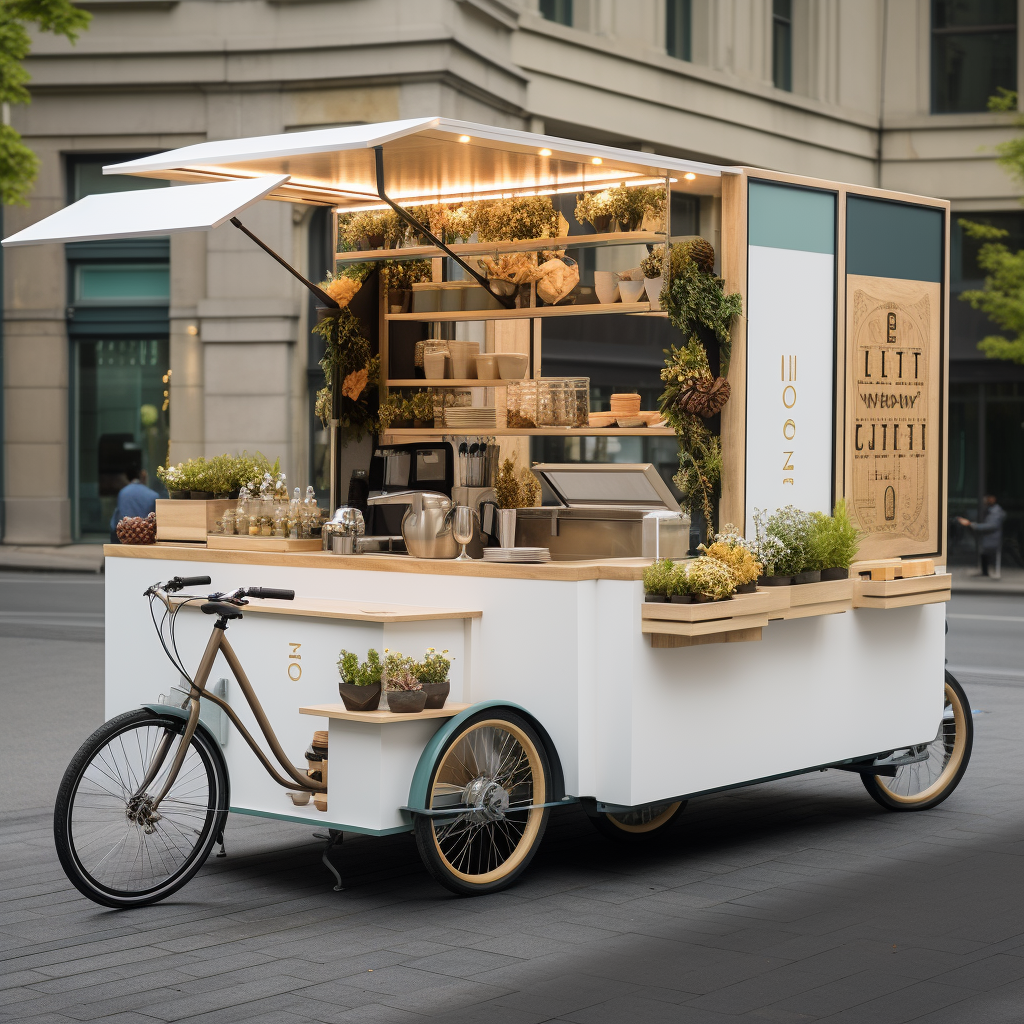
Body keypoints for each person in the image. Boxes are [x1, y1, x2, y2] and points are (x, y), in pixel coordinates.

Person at [957, 495, 1006, 578]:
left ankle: (991, 572)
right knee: (984, 554)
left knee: (990, 555)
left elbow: (991, 525)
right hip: (988, 538)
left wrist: (971, 524)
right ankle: (985, 572)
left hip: (991, 538)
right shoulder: (990, 510)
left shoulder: (996, 512)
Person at [110, 468, 159, 542]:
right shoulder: (153, 495)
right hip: (145, 538)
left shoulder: (123, 493)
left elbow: (118, 517)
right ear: (144, 477)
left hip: (125, 536)